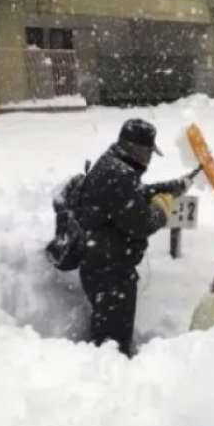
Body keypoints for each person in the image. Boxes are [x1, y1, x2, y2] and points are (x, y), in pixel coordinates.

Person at [78, 119, 192, 357]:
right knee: (112, 346)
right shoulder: (120, 175)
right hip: (110, 273)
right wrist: (163, 209)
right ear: (137, 150)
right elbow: (141, 224)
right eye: (149, 152)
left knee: (107, 338)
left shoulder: (115, 166)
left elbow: (134, 195)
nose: (150, 159)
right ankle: (111, 383)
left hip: (102, 266)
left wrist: (171, 187)